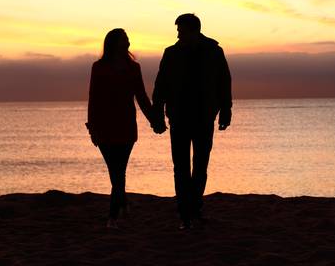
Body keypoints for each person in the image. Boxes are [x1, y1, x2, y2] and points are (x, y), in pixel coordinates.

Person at [152, 13, 232, 230]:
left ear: (193, 30)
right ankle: (184, 213)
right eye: (178, 31)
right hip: (178, 117)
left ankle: (194, 208)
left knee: (200, 166)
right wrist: (157, 115)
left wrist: (226, 111)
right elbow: (160, 87)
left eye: (181, 30)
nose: (178, 35)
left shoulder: (214, 51)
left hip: (204, 117)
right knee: (180, 167)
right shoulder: (171, 53)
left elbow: (224, 82)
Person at [86, 28, 161, 229]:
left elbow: (142, 97)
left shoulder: (133, 68)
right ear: (114, 43)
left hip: (126, 125)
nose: (128, 41)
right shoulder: (99, 67)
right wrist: (92, 127)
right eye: (124, 38)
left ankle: (113, 216)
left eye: (128, 38)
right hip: (104, 126)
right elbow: (93, 98)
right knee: (116, 171)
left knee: (119, 170)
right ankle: (121, 205)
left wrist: (155, 119)